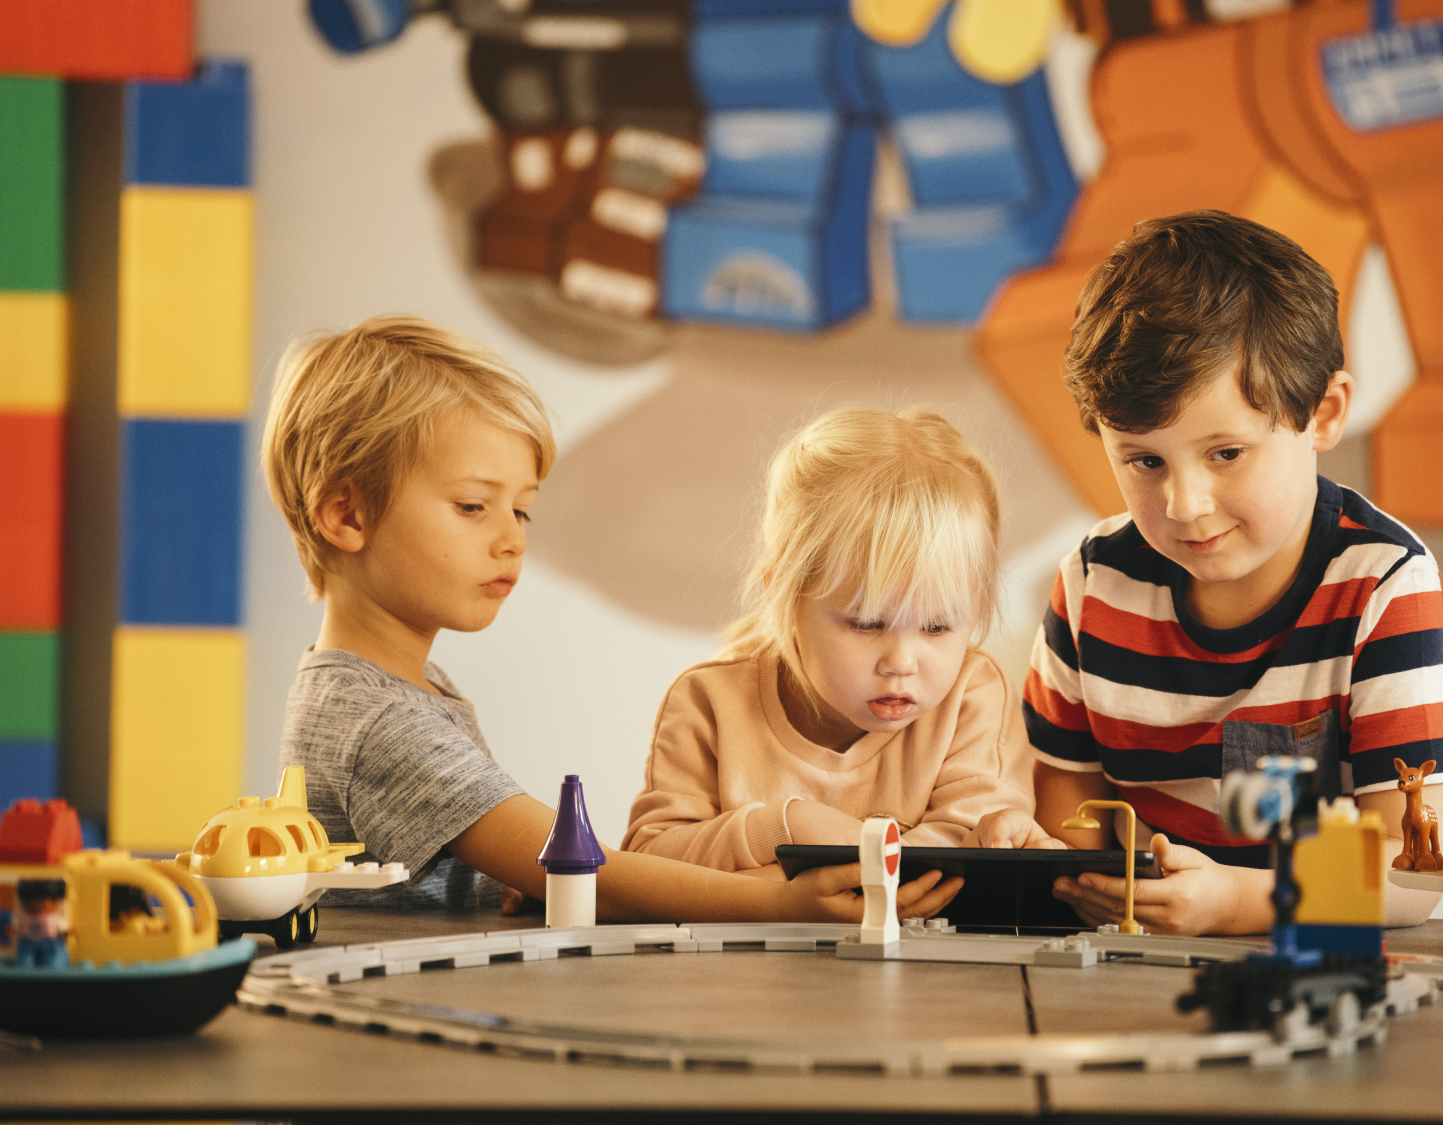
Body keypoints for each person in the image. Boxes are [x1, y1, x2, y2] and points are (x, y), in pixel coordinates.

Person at [264, 315, 960, 920]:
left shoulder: (395, 689)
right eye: (474, 506)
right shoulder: (382, 720)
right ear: (347, 515)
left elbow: (517, 865)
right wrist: (773, 903)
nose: (511, 538)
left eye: (522, 508)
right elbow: (572, 862)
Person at [1028, 211, 1443, 934]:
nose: (1185, 504)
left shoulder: (1382, 584)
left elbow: (1410, 869)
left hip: (1312, 969)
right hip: (1130, 966)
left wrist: (1239, 901)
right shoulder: (1091, 583)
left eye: (1225, 454)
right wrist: (1084, 883)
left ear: (1324, 414)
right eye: (1145, 461)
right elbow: (1065, 808)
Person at [623, 407, 1060, 875]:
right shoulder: (708, 703)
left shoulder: (970, 698)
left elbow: (968, 849)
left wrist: (811, 873)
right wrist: (784, 828)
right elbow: (650, 861)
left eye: (937, 628)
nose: (901, 662)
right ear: (785, 596)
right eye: (867, 624)